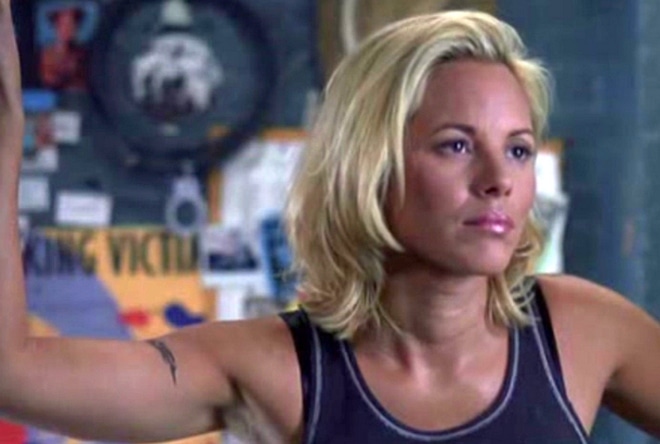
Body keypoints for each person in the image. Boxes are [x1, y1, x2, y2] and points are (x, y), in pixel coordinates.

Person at [0, 2, 658, 443]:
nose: (499, 179)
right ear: (371, 165)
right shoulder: (277, 369)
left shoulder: (580, 331)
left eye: (517, 149)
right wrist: (7, 133)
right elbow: (14, 373)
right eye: (456, 145)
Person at [39, 4, 88, 90]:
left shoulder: (81, 54)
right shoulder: (47, 54)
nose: (67, 28)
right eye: (64, 24)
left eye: (70, 24)